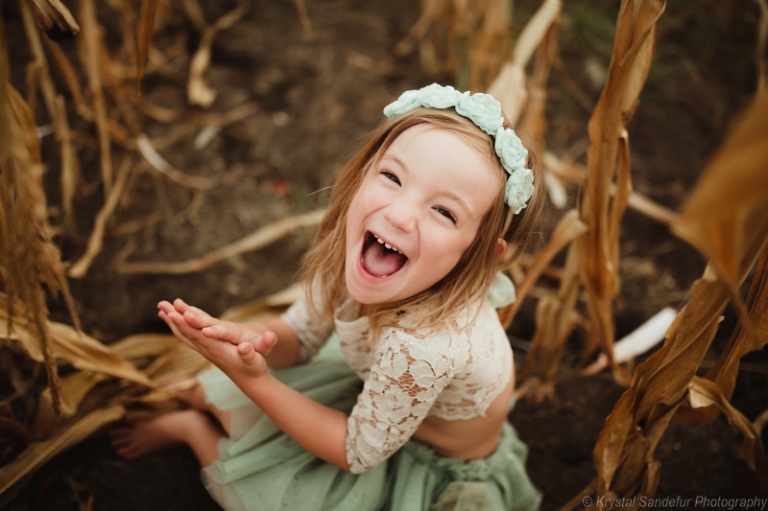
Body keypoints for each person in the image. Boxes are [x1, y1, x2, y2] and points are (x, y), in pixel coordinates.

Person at [110, 83, 543, 511]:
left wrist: (252, 379)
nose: (398, 214)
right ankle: (201, 403)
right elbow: (300, 335)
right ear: (362, 173)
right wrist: (240, 338)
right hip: (381, 394)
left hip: (412, 456)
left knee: (258, 496)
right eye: (392, 177)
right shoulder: (361, 251)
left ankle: (192, 431)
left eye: (444, 212)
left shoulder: (423, 349)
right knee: (217, 393)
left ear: (480, 255)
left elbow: (355, 452)